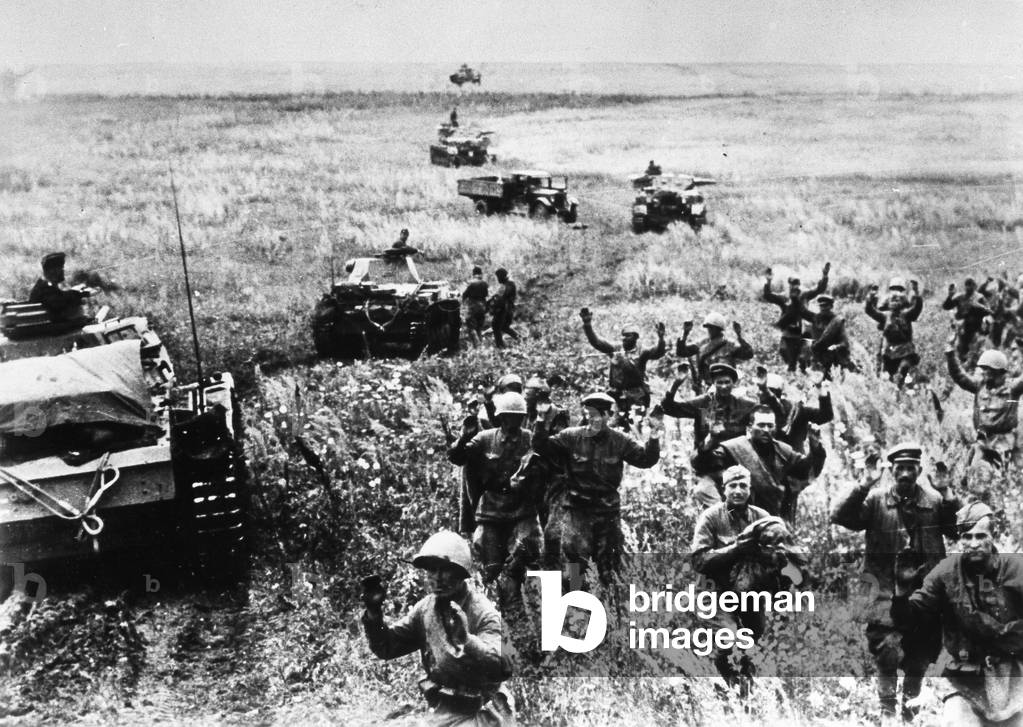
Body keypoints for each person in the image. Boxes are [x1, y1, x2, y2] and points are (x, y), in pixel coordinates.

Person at [830, 442, 961, 722]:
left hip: (924, 595)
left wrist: (947, 492)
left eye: (910, 468)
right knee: (887, 653)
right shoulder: (876, 500)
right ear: (891, 470)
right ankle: (887, 713)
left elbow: (960, 529)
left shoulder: (934, 500)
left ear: (919, 470)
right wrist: (864, 484)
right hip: (884, 594)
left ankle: (909, 715)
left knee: (919, 659)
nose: (904, 474)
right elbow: (839, 515)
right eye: (899, 468)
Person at [361, 531, 513, 726]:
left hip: (483, 713)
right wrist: (374, 613)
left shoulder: (482, 612)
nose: (438, 578)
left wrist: (467, 640)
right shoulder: (425, 610)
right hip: (446, 710)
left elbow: (504, 665)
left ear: (460, 573)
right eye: (432, 570)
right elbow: (387, 647)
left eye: (445, 570)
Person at [894, 503, 1023, 727]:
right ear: (959, 540)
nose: (973, 544)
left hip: (1012, 678)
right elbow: (911, 618)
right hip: (964, 680)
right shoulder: (946, 571)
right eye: (967, 537)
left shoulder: (1016, 569)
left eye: (980, 536)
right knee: (956, 721)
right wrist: (901, 591)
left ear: (993, 536)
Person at [530, 392, 662, 585]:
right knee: (575, 562)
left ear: (609, 416)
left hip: (607, 511)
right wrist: (541, 419)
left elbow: (646, 459)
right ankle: (575, 598)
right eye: (590, 415)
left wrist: (654, 434)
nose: (593, 420)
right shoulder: (571, 437)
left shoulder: (620, 440)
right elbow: (541, 447)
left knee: (609, 566)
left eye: (599, 415)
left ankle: (609, 601)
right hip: (577, 510)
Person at [691, 465, 802, 687]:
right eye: (733, 486)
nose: (738, 491)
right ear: (724, 489)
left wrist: (781, 563)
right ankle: (724, 688)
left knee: (750, 646)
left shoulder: (762, 518)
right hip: (714, 593)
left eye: (743, 486)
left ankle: (742, 694)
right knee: (729, 640)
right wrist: (736, 549)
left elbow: (781, 556)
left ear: (750, 490)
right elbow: (699, 560)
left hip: (749, 594)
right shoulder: (711, 518)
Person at [448, 393, 539, 609]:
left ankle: (519, 605)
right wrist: (463, 438)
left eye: (518, 418)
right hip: (491, 511)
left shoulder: (529, 439)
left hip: (521, 510)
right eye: (509, 417)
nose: (513, 423)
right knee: (492, 567)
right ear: (501, 418)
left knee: (524, 552)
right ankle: (503, 610)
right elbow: (458, 457)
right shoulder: (485, 439)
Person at [660, 362, 760, 508]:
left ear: (733, 383)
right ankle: (722, 516)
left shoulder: (745, 405)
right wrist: (676, 384)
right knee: (707, 495)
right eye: (719, 382)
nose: (724, 386)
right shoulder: (703, 403)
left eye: (727, 382)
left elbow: (763, 420)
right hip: (707, 467)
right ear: (713, 383)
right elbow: (668, 408)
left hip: (735, 467)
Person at [704, 405, 825, 523]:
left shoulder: (783, 450)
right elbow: (706, 464)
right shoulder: (733, 447)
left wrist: (815, 447)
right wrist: (708, 442)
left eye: (770, 426)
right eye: (761, 425)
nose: (766, 430)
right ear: (750, 427)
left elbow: (804, 471)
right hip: (741, 517)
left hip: (774, 518)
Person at [579, 307, 665, 427]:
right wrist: (587, 324)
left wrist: (661, 338)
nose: (624, 338)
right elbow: (597, 342)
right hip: (616, 395)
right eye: (623, 335)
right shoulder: (615, 348)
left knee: (636, 426)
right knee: (610, 425)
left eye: (628, 336)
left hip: (636, 396)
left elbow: (658, 352)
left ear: (635, 337)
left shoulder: (643, 351)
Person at [945, 346, 1023, 470]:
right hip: (983, 442)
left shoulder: (1012, 388)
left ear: (997, 370)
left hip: (1005, 443)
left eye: (986, 369)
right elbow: (960, 376)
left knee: (1010, 472)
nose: (983, 372)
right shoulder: (979, 386)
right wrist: (950, 356)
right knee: (973, 472)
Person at [761, 262, 830, 372]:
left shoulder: (805, 295)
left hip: (803, 332)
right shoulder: (784, 297)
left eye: (797, 284)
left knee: (804, 359)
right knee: (786, 356)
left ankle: (807, 371)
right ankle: (792, 374)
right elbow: (768, 296)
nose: (795, 286)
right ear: (789, 284)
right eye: (793, 284)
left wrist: (825, 275)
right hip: (788, 333)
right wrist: (768, 281)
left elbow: (819, 289)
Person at [866, 277, 924, 388]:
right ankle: (890, 388)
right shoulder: (885, 314)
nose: (896, 295)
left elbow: (917, 308)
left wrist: (917, 293)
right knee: (886, 373)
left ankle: (903, 385)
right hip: (889, 350)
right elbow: (871, 311)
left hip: (905, 349)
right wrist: (870, 297)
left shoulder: (906, 313)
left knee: (903, 368)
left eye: (899, 290)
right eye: (894, 289)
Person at [756, 371, 833, 453]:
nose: (758, 393)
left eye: (762, 390)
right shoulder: (757, 411)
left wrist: (820, 388)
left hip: (792, 459)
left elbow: (825, 415)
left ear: (773, 392)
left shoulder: (798, 411)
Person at [675, 312, 754, 386]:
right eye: (708, 328)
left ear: (720, 329)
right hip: (707, 385)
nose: (710, 330)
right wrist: (685, 333)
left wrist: (739, 335)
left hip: (726, 384)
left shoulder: (730, 345)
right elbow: (682, 352)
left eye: (713, 328)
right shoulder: (701, 343)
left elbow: (748, 354)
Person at [801, 294, 858, 379]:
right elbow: (800, 311)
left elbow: (845, 343)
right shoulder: (815, 318)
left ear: (831, 306)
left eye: (826, 306)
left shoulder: (837, 321)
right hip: (818, 357)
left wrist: (835, 347)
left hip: (833, 358)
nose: (823, 308)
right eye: (821, 306)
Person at [28, 251, 90, 322]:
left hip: (53, 323)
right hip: (54, 326)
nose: (63, 271)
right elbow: (58, 304)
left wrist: (76, 294)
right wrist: (78, 297)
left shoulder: (44, 284)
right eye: (60, 268)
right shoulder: (44, 287)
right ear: (52, 271)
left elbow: (60, 297)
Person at [944, 278, 994, 365]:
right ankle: (961, 364)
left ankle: (973, 365)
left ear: (975, 286)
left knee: (974, 352)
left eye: (971, 284)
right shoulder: (960, 297)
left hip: (976, 328)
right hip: (962, 329)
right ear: (965, 286)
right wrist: (950, 295)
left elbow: (989, 311)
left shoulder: (979, 297)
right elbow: (946, 306)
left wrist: (978, 307)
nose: (969, 287)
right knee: (961, 350)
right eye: (967, 284)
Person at [489, 269, 518, 349]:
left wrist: (494, 305)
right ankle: (519, 338)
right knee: (504, 327)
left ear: (501, 277)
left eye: (498, 277)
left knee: (496, 326)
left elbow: (502, 298)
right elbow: (499, 296)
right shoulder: (508, 284)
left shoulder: (508, 285)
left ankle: (500, 346)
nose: (497, 279)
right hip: (507, 309)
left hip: (504, 309)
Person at [461, 266, 489, 346]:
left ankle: (477, 345)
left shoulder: (471, 283)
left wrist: (463, 304)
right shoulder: (484, 283)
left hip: (473, 307)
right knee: (479, 327)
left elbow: (464, 295)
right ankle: (481, 344)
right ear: (481, 273)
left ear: (473, 273)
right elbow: (486, 294)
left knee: (471, 327)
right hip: (482, 306)